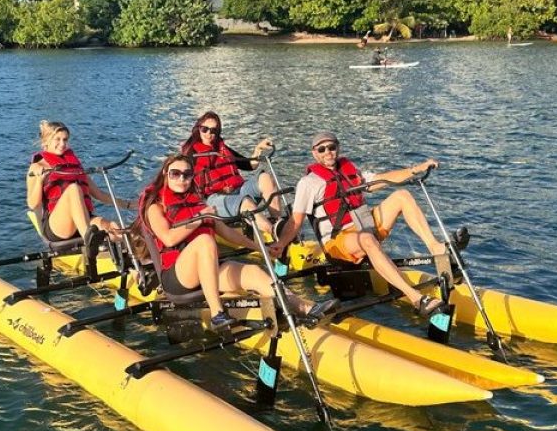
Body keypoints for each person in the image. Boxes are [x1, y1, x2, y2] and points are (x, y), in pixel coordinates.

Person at [141, 153, 336, 329]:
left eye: (187, 174)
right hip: (178, 278)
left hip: (208, 271)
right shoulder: (157, 206)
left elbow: (227, 232)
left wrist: (261, 248)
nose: (182, 179)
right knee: (204, 241)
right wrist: (199, 218)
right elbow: (167, 239)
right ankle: (218, 314)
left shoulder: (198, 202)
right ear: (166, 173)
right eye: (175, 174)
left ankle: (305, 308)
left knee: (254, 272)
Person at [271, 132, 448, 318]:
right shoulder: (308, 183)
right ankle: (417, 299)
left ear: (337, 148)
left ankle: (435, 247)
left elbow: (384, 178)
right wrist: (281, 244)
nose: (328, 152)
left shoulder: (350, 171)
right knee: (366, 238)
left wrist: (416, 169)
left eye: (331, 147)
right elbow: (296, 221)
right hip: (338, 242)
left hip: (365, 227)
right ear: (315, 153)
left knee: (402, 196)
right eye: (322, 149)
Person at [26, 120, 133, 244]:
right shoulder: (37, 167)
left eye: (65, 140)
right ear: (46, 141)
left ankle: (124, 257)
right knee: (73, 189)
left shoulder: (74, 165)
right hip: (57, 226)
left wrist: (129, 205)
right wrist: (39, 180)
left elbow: (99, 194)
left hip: (84, 220)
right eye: (57, 139)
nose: (62, 144)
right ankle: (90, 241)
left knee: (114, 228)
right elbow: (32, 204)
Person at [180, 111, 279, 234]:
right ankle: (273, 231)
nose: (208, 134)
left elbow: (248, 165)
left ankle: (278, 222)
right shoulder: (190, 154)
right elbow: (181, 179)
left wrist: (257, 150)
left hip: (239, 190)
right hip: (215, 198)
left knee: (265, 178)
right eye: (204, 129)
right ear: (198, 129)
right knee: (246, 203)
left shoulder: (222, 148)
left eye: (213, 130)